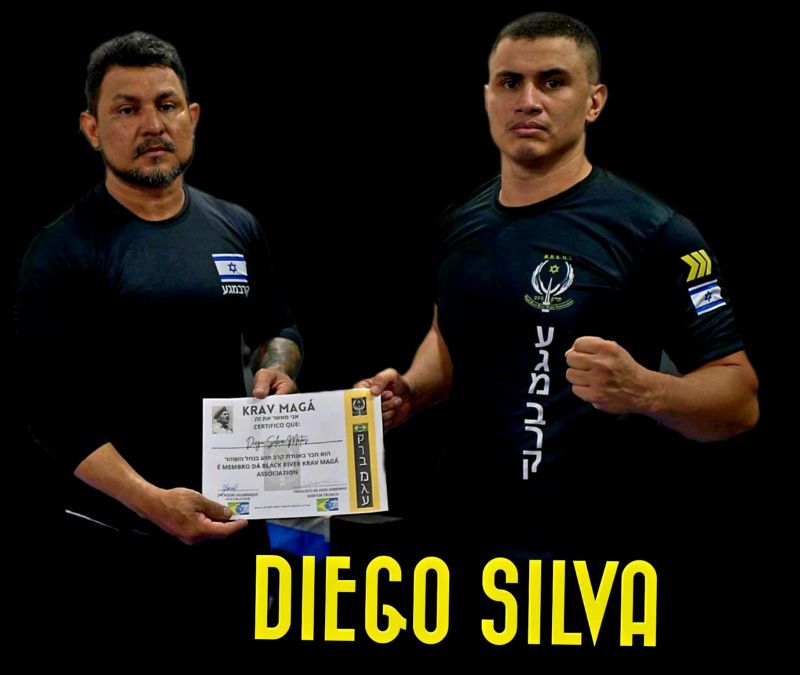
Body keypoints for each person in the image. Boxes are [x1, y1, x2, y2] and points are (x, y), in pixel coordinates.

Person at [357, 12, 759, 559]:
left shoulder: (655, 232)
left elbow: (740, 401)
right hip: (462, 531)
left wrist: (646, 390)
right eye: (510, 83)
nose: (528, 101)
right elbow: (449, 336)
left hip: (593, 552)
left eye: (552, 82)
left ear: (594, 101)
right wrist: (412, 387)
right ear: (487, 98)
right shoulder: (460, 222)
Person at [15, 32, 301, 646]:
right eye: (127, 109)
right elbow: (52, 413)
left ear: (191, 116)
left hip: (234, 525)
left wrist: (277, 365)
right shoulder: (62, 250)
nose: (153, 125)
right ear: (92, 129)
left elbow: (277, 328)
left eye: (166, 105)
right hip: (117, 538)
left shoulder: (236, 225)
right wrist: (153, 504)